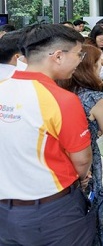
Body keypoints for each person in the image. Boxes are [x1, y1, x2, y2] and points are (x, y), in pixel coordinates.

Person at [0, 24, 95, 245]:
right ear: (58, 56)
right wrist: (82, 180)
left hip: (5, 212)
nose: (80, 61)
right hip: (54, 212)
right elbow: (82, 160)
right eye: (78, 54)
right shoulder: (62, 99)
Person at [58, 44, 103, 246]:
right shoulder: (94, 98)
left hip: (62, 163)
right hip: (86, 163)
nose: (101, 68)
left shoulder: (61, 92)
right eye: (98, 64)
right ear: (89, 68)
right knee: (92, 212)